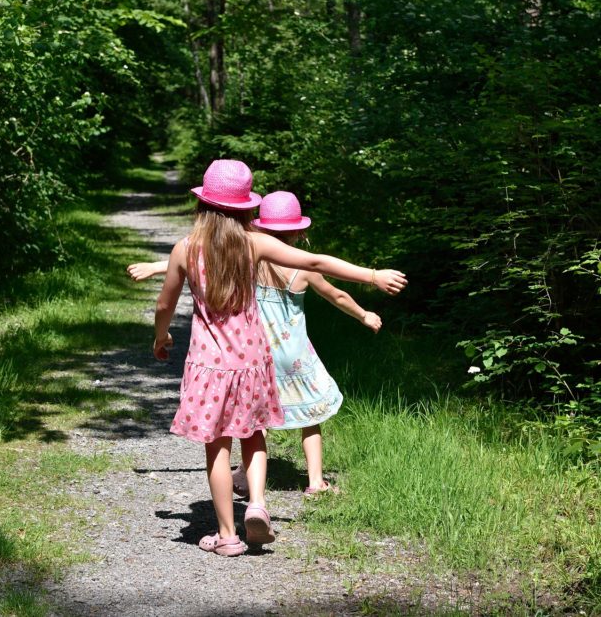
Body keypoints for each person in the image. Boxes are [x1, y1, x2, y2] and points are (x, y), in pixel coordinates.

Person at [147, 160, 407, 557]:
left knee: (217, 446)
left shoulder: (185, 248)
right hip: (252, 359)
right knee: (252, 435)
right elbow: (316, 262)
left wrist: (161, 335)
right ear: (247, 209)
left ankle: (227, 535)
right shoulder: (253, 244)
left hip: (208, 364)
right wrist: (372, 275)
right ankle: (256, 504)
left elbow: (165, 304)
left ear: (203, 205)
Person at [132, 191, 387, 499]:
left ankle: (242, 476)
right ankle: (315, 481)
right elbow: (337, 293)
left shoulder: (245, 254)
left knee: (251, 422)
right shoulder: (286, 263)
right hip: (292, 355)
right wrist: (367, 303)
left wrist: (157, 266)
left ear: (259, 224)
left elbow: (203, 255)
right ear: (299, 232)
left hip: (252, 352)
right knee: (312, 418)